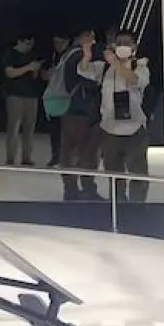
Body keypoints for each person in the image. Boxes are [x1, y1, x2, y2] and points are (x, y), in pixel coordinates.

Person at [78, 29, 151, 203]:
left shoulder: (140, 66)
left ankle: (137, 208)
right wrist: (87, 54)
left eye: (127, 43)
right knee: (114, 176)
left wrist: (116, 63)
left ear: (134, 47)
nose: (123, 46)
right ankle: (118, 208)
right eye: (119, 43)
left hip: (134, 130)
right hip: (110, 130)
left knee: (138, 175)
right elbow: (83, 70)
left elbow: (134, 80)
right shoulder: (104, 68)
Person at [58, 29, 104, 201]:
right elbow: (89, 80)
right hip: (82, 110)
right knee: (86, 151)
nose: (93, 41)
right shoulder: (78, 56)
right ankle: (85, 188)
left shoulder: (67, 55)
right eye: (89, 37)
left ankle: (72, 188)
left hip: (72, 109)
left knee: (70, 150)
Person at [3, 34, 42, 166]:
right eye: (27, 43)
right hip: (15, 95)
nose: (29, 47)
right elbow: (10, 73)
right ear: (20, 41)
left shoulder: (32, 55)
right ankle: (11, 157)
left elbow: (35, 76)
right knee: (14, 127)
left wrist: (36, 70)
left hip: (32, 95)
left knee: (29, 128)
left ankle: (27, 157)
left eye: (31, 44)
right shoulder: (10, 54)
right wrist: (28, 67)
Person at [43, 34, 72, 168]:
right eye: (56, 42)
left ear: (67, 42)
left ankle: (66, 158)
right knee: (55, 130)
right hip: (53, 97)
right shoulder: (52, 56)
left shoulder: (70, 56)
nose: (58, 45)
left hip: (66, 97)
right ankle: (56, 156)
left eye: (61, 42)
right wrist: (49, 74)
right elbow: (44, 75)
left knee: (67, 131)